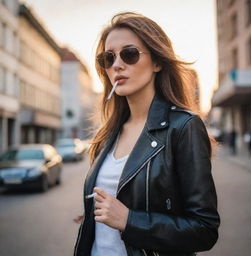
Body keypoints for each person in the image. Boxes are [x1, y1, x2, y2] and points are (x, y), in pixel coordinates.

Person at [74, 12, 220, 256]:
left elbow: (204, 229)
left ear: (157, 62)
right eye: (108, 58)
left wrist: (129, 220)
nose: (117, 65)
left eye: (129, 54)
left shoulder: (183, 127)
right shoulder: (107, 134)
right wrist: (93, 219)